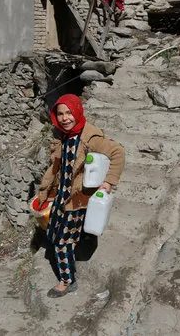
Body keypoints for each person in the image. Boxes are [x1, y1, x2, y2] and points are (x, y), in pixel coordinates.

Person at [38, 94, 124, 297]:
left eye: (69, 112)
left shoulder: (90, 138)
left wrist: (108, 182)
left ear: (77, 111)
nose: (65, 118)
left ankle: (67, 281)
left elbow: (118, 153)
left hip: (77, 200)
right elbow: (56, 168)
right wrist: (48, 193)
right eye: (60, 114)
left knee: (61, 243)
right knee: (51, 233)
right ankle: (80, 237)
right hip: (61, 197)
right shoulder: (62, 136)